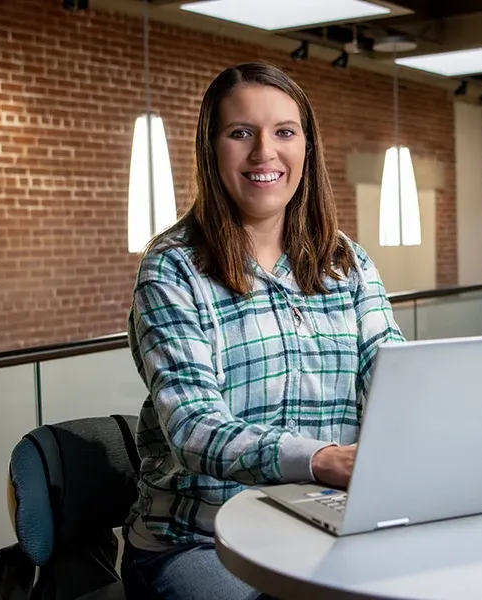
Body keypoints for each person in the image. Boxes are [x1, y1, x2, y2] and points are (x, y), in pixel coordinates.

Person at [120, 61, 405, 600]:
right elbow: (194, 429)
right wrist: (319, 460)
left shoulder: (345, 262)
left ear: (306, 148)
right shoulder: (172, 269)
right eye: (241, 133)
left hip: (324, 525)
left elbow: (395, 382)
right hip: (199, 539)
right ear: (211, 148)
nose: (263, 154)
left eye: (284, 132)